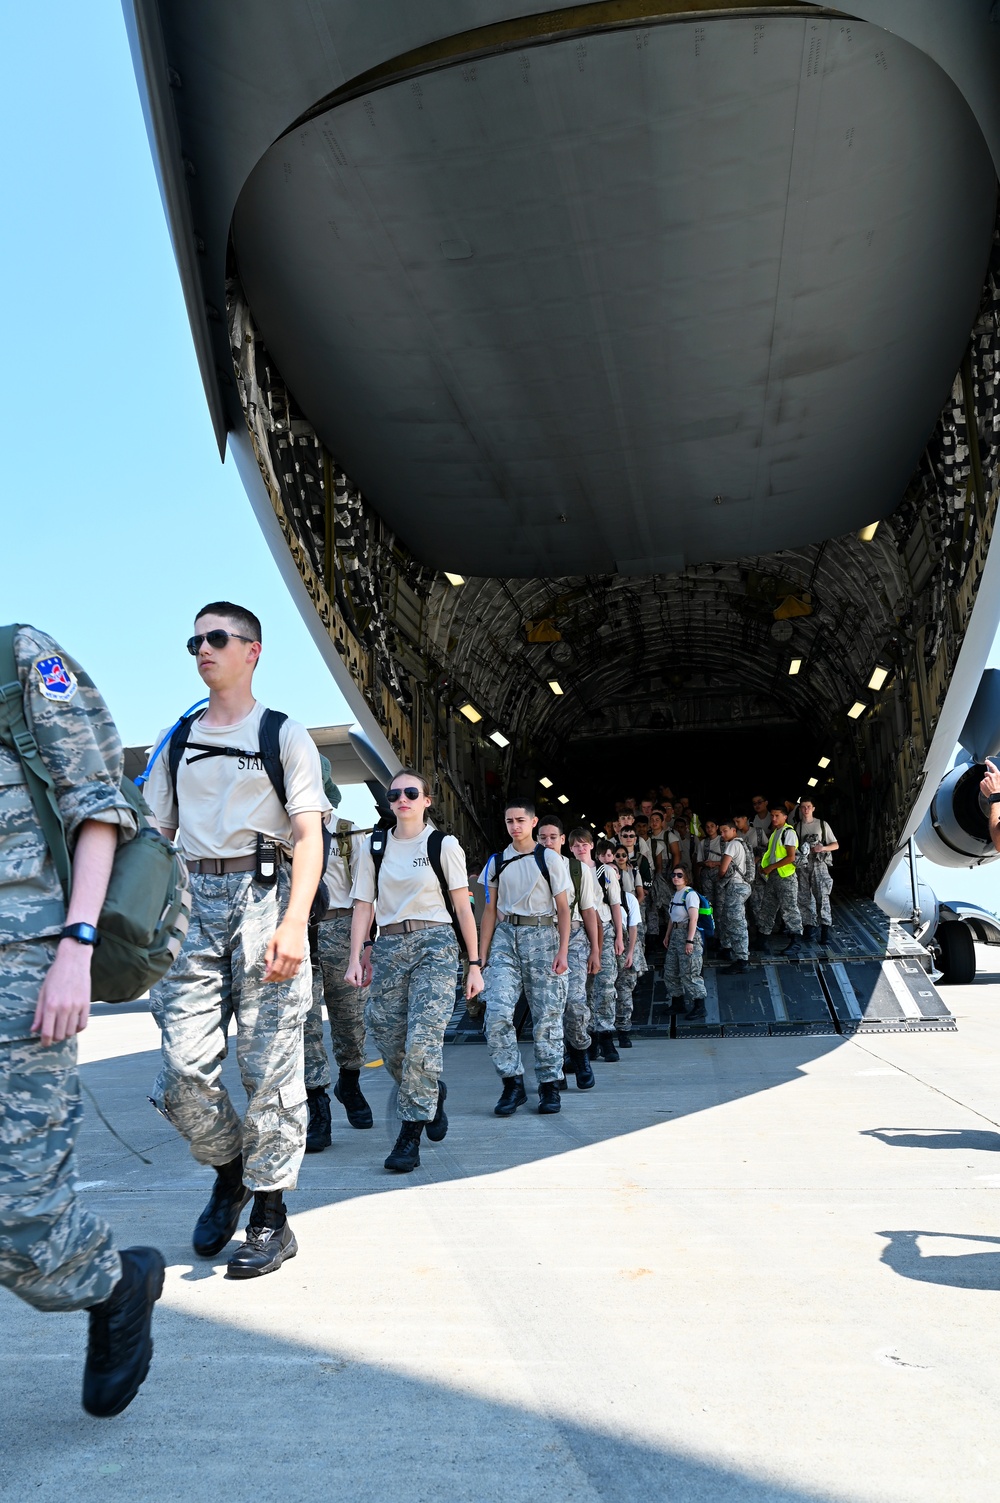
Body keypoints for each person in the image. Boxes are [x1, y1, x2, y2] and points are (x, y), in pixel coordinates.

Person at [0, 623, 163, 1416]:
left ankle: (115, 1281)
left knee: (18, 1217)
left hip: (23, 970)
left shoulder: (20, 659)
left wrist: (76, 944)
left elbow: (95, 801)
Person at [145, 602, 328, 1278]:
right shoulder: (180, 737)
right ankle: (229, 1170)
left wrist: (292, 923)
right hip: (193, 903)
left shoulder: (284, 734)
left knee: (272, 1067)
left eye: (217, 637)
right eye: (194, 638)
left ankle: (272, 1219)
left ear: (252, 650)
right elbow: (155, 835)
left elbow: (310, 836)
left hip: (264, 896)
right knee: (180, 1072)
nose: (202, 648)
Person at [345, 770, 482, 1172]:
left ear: (426, 800)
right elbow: (363, 906)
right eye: (394, 794)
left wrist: (474, 964)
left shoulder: (443, 844)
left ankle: (409, 1135)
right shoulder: (374, 847)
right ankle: (430, 1093)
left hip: (435, 945)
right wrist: (356, 955)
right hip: (388, 947)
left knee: (423, 1040)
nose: (402, 798)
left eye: (411, 792)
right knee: (388, 1039)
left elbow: (462, 908)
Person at [478, 799, 572, 1116]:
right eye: (509, 821)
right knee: (497, 1013)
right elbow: (489, 910)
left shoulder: (549, 859)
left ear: (532, 823)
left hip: (544, 936)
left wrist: (563, 950)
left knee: (547, 1017)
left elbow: (563, 909)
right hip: (507, 937)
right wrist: (480, 958)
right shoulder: (496, 861)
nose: (515, 826)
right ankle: (512, 1084)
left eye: (520, 820)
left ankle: (548, 1085)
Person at [302, 759, 373, 1152]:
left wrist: (364, 946)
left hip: (342, 930)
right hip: (300, 933)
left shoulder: (348, 835)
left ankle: (350, 1081)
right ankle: (319, 1106)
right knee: (305, 1026)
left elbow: (366, 895)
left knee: (350, 1024)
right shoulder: (284, 831)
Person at [538, 817, 599, 1091]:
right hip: (541, 939)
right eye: (543, 838)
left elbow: (588, 911)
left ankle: (580, 1053)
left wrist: (595, 949)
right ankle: (556, 1064)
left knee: (574, 1004)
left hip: (574, 939)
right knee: (550, 1009)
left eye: (553, 837)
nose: (548, 842)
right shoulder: (530, 865)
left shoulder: (577, 869)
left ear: (563, 840)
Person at [582, 834, 625, 1061]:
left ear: (591, 847)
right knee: (584, 988)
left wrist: (619, 936)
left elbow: (616, 905)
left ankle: (606, 1035)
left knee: (606, 984)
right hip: (580, 932)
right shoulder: (570, 871)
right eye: (575, 845)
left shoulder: (605, 872)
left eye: (584, 845)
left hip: (606, 930)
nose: (580, 849)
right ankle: (589, 1037)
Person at [755, 804, 804, 958]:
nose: (774, 818)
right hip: (774, 876)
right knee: (767, 908)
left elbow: (791, 857)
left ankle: (795, 941)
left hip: (785, 877)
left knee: (789, 909)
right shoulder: (776, 832)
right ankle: (761, 940)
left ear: (785, 816)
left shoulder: (788, 832)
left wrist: (770, 867)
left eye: (777, 816)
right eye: (772, 815)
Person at [613, 846, 647, 1046]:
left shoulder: (629, 899)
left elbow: (633, 927)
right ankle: (604, 1033)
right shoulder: (598, 899)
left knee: (625, 992)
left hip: (626, 948)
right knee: (605, 993)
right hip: (606, 950)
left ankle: (624, 1030)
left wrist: (631, 952)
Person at [793, 799, 839, 946]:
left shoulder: (822, 825)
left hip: (819, 864)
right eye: (803, 807)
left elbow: (835, 845)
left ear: (813, 808)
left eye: (808, 807)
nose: (806, 809)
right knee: (804, 897)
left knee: (822, 897)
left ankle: (825, 930)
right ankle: (809, 928)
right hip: (804, 866)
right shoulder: (796, 827)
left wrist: (822, 848)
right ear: (800, 809)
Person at [663, 866, 707, 1016]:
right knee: (671, 971)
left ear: (686, 877)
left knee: (690, 972)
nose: (676, 877)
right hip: (675, 935)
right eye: (673, 874)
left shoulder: (690, 894)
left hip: (687, 934)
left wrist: (689, 941)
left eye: (679, 875)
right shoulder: (675, 895)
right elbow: (672, 918)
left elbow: (693, 918)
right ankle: (677, 1003)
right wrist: (667, 935)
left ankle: (700, 1006)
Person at [716, 819, 754, 973]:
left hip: (735, 886)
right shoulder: (743, 844)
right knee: (727, 918)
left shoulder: (732, 845)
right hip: (743, 885)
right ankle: (727, 948)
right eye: (721, 832)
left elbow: (723, 869)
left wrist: (720, 877)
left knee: (736, 923)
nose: (723, 834)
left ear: (733, 830)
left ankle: (742, 959)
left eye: (725, 831)